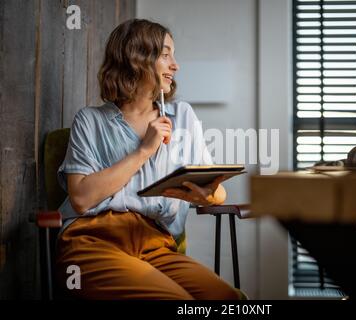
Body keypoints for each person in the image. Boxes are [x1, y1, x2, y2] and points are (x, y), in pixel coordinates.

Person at [55, 18, 240, 300]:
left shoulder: (183, 116)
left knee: (230, 300)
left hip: (156, 244)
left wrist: (208, 195)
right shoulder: (90, 120)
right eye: (166, 55)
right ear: (137, 59)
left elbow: (215, 187)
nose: (175, 65)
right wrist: (144, 150)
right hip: (92, 240)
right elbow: (80, 199)